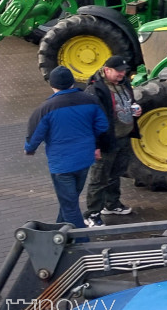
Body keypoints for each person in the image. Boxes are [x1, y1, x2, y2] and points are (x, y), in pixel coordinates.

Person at [24, 67, 110, 229]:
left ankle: (80, 242)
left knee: (70, 206)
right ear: (72, 82)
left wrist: (29, 148)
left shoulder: (46, 108)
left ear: (52, 85)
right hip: (84, 161)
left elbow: (34, 135)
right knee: (69, 200)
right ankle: (58, 233)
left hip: (62, 166)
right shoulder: (90, 100)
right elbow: (102, 125)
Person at [83, 55, 142, 226]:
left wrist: (136, 109)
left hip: (123, 137)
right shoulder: (95, 90)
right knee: (99, 178)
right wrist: (95, 146)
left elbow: (128, 101)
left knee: (115, 174)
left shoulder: (123, 82)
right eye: (118, 71)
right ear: (107, 70)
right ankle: (92, 213)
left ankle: (112, 204)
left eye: (124, 71)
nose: (122, 74)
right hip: (106, 141)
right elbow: (91, 120)